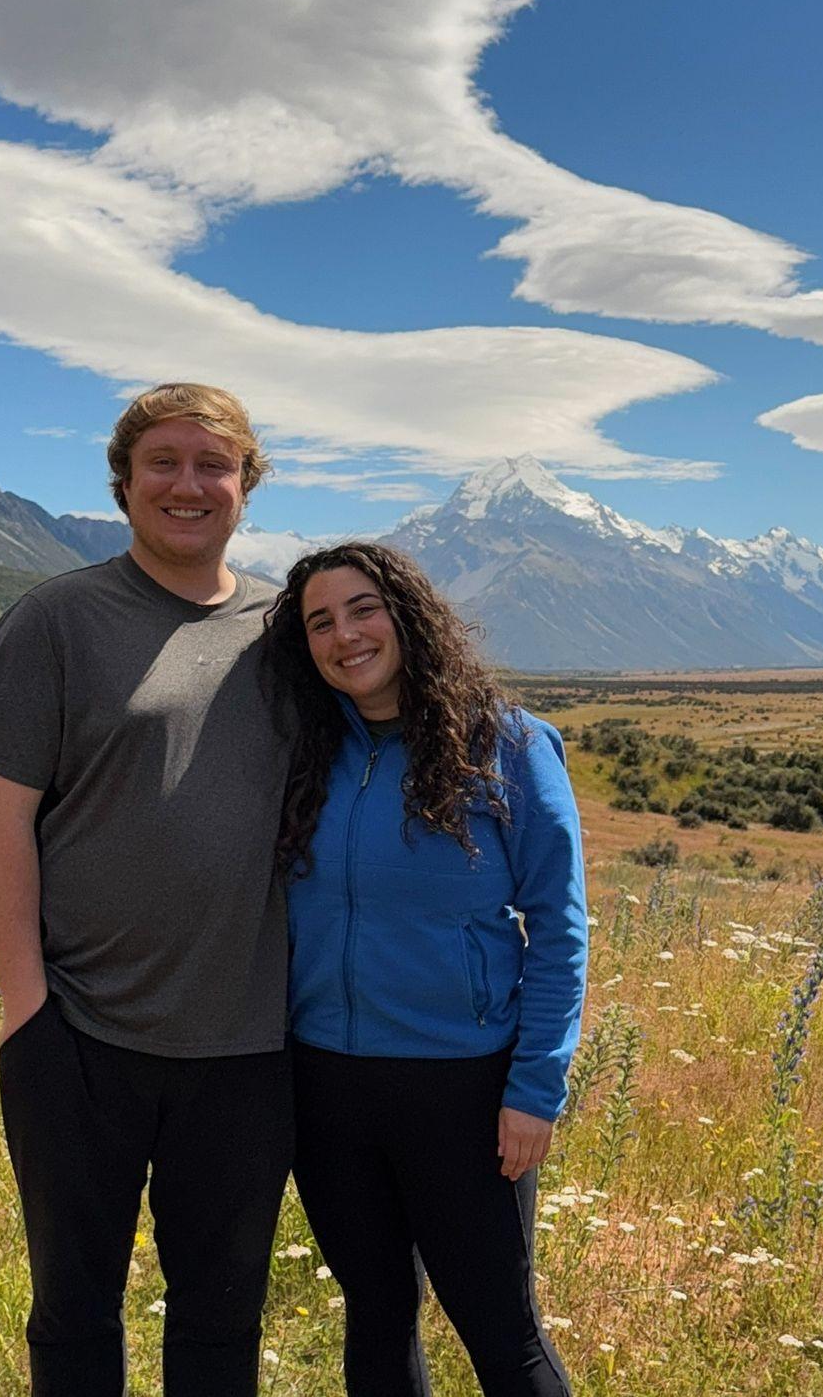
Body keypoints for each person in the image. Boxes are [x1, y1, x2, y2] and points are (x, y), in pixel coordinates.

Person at [0, 383, 294, 1397]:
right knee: (73, 1314)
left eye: (215, 464)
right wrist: (29, 1014)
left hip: (251, 1046)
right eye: (165, 462)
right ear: (124, 481)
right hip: (80, 1036)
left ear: (246, 486)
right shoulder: (57, 620)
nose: (189, 484)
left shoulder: (292, 629)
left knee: (222, 1319)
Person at [266, 541, 588, 1397]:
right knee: (374, 1310)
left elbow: (559, 927)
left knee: (501, 1331)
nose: (346, 634)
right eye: (320, 621)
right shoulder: (304, 751)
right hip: (326, 1084)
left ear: (406, 612)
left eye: (363, 608)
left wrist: (534, 1090)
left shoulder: (509, 744)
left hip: (464, 1091)